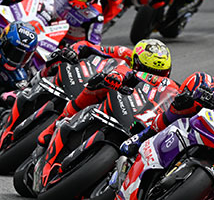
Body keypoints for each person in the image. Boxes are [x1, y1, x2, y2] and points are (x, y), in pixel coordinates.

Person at [37, 38, 175, 147]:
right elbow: (88, 46)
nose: (152, 75)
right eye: (147, 70)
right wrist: (74, 51)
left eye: (160, 73)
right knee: (97, 83)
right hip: (110, 87)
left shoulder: (165, 86)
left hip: (133, 111)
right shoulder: (124, 53)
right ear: (136, 61)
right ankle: (56, 124)